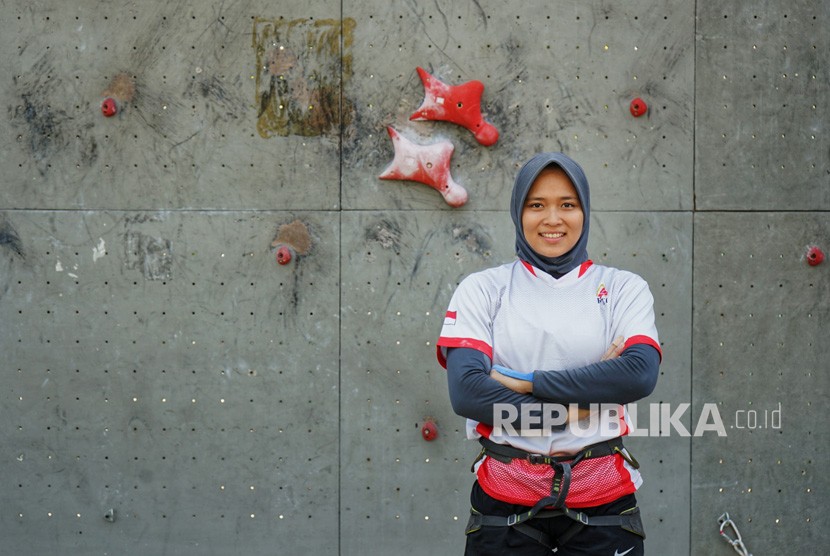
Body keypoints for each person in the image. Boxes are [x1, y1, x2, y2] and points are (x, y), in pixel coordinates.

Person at [436, 152, 661, 555]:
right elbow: (468, 394)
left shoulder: (624, 288)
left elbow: (639, 375)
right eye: (536, 205)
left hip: (604, 502)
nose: (552, 219)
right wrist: (583, 405)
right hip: (504, 503)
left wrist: (528, 382)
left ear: (585, 211)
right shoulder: (483, 289)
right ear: (517, 212)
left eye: (567, 205)